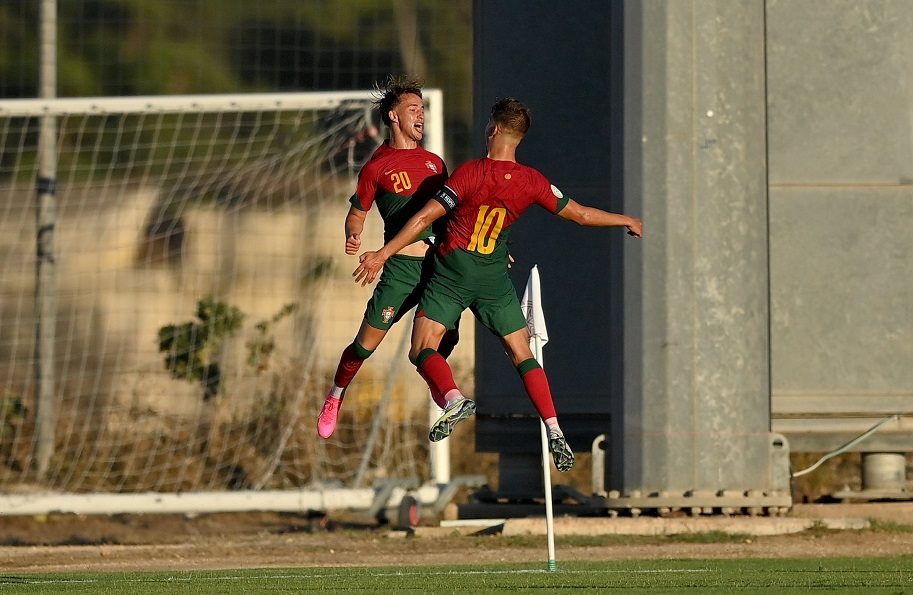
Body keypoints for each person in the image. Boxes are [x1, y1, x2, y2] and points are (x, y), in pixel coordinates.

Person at [353, 97, 643, 472]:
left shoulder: (470, 173)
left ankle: (455, 398)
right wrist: (627, 220)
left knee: (422, 347)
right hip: (494, 281)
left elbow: (425, 216)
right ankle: (554, 428)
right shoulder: (533, 181)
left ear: (492, 130)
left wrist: (382, 253)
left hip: (452, 276)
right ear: (519, 138)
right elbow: (582, 215)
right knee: (523, 354)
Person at [317, 75, 459, 439]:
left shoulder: (434, 163)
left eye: (423, 109)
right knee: (364, 345)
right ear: (394, 116)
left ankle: (443, 393)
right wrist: (353, 234)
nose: (421, 115)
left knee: (438, 342)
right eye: (413, 109)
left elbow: (452, 212)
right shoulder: (377, 166)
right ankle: (336, 394)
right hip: (400, 269)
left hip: (438, 267)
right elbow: (357, 211)